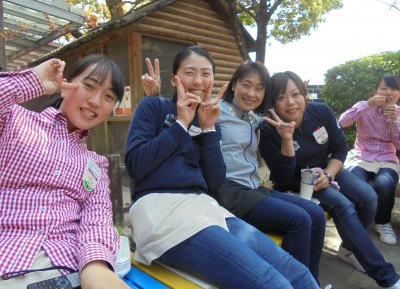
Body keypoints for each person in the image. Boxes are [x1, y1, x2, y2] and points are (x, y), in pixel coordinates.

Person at [125, 45, 319, 289]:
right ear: (175, 79)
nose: (198, 80)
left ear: (213, 81)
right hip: (162, 212)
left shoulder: (207, 119)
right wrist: (180, 124)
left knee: (299, 274)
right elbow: (135, 165)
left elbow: (215, 181)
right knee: (275, 284)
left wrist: (208, 131)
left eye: (206, 74)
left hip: (206, 208)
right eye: (190, 72)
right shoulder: (154, 106)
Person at [259, 70, 400, 288]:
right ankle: (388, 277)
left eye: (295, 94)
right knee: (344, 205)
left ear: (304, 94)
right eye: (281, 97)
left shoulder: (320, 112)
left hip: (327, 169)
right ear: (273, 101)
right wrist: (287, 140)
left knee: (369, 196)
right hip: (298, 182)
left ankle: (349, 249)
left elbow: (339, 149)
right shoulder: (268, 129)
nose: (290, 103)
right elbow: (283, 177)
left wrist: (329, 174)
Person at [0, 55, 129, 289]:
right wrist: (35, 80)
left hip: (66, 269)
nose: (96, 101)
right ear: (66, 84)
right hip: (8, 257)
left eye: (108, 97)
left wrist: (97, 266)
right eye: (89, 86)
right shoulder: (13, 120)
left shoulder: (95, 164)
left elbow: (97, 218)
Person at [211, 61, 326, 283]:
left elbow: (282, 175)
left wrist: (287, 139)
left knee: (316, 214)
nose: (252, 93)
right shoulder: (215, 112)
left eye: (259, 88)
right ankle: (296, 284)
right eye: (246, 85)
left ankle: (312, 283)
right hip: (229, 191)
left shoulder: (256, 120)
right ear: (234, 84)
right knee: (299, 220)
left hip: (254, 188)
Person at [339, 74, 400, 245]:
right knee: (357, 183)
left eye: (394, 88)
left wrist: (395, 120)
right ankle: (357, 221)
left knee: (384, 184)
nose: (389, 92)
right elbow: (342, 122)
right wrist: (367, 105)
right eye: (384, 88)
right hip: (361, 155)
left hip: (386, 158)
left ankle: (382, 222)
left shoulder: (399, 113)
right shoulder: (363, 106)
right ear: (375, 91)